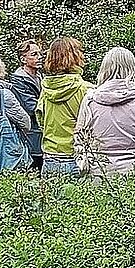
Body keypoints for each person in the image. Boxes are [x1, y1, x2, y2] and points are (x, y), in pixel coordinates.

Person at [74, 46, 135, 176]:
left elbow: (80, 139)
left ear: (104, 69)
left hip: (99, 174)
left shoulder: (90, 101)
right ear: (133, 69)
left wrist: (84, 166)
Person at [38, 37, 93, 177]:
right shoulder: (86, 90)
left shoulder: (45, 88)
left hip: (50, 157)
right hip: (76, 158)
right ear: (75, 57)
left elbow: (40, 120)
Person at [9, 38, 45, 169]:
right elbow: (31, 107)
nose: (39, 57)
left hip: (42, 131)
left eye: (40, 54)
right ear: (23, 59)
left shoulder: (41, 77)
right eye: (34, 54)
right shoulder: (18, 81)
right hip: (31, 133)